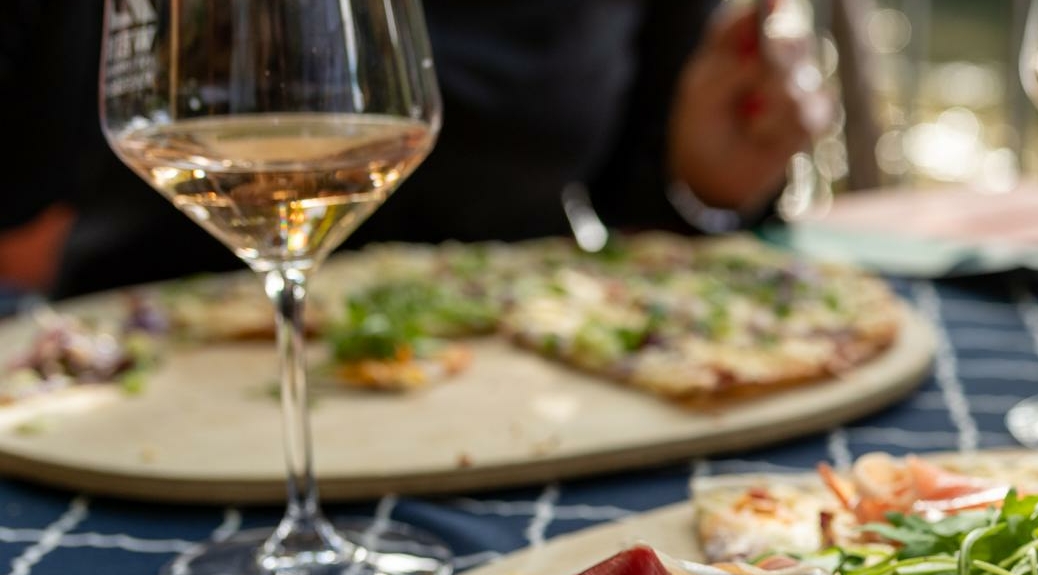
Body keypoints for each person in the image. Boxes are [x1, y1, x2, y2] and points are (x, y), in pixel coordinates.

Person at [0, 0, 826, 297]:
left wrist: (707, 181)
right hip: (154, 376)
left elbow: (638, 199)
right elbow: (20, 186)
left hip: (521, 371)